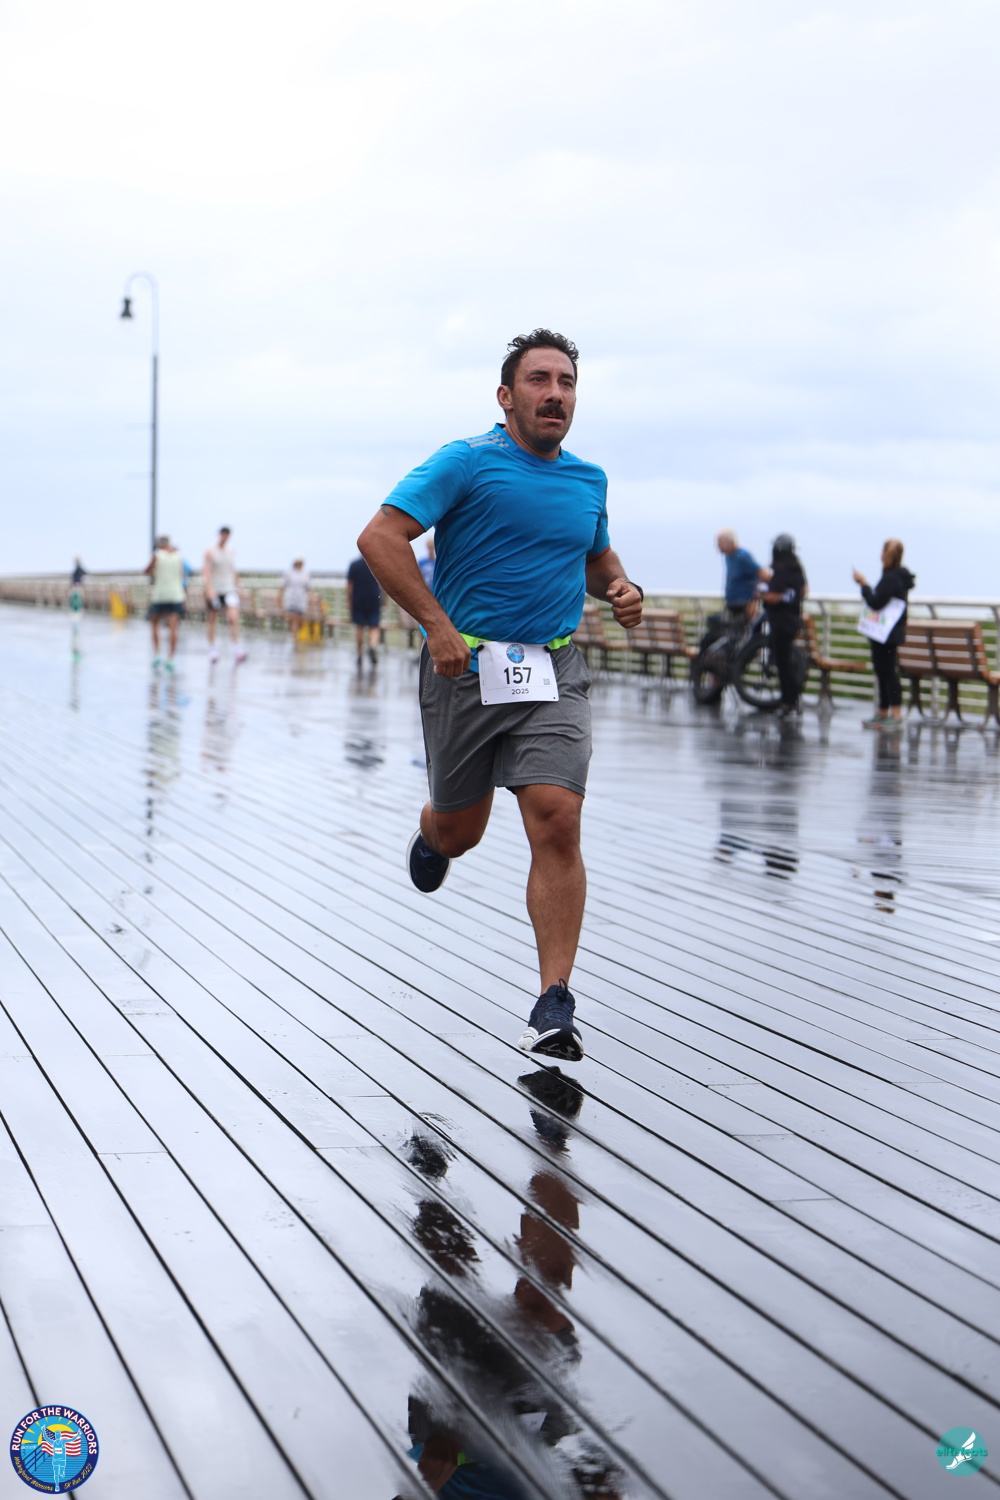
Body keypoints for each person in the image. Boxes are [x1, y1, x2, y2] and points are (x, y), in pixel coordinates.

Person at [358, 328, 643, 1061]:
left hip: (553, 670)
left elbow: (594, 556)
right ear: (506, 396)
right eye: (539, 380)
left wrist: (618, 585)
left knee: (557, 818)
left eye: (566, 382)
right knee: (463, 832)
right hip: (466, 669)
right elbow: (380, 538)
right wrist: (437, 626)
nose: (555, 394)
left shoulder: (588, 480)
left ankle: (554, 1002)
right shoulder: (467, 461)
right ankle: (433, 832)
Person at [853, 539, 915, 733]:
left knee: (887, 673)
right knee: (883, 671)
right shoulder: (897, 577)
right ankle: (883, 712)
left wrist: (864, 585)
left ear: (886, 555)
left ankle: (895, 715)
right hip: (887, 633)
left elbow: (876, 602)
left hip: (886, 633)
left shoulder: (892, 578)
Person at [760, 533, 806, 718]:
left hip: (780, 622)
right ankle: (791, 701)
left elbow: (774, 596)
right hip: (792, 620)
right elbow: (803, 592)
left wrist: (760, 594)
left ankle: (789, 702)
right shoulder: (797, 570)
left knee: (783, 664)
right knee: (785, 662)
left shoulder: (781, 570)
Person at [203, 526, 245, 663]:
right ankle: (212, 650)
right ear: (220, 534)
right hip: (215, 590)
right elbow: (206, 571)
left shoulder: (231, 551)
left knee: (233, 618)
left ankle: (236, 649)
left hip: (229, 589)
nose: (225, 537)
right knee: (212, 620)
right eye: (223, 534)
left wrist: (239, 587)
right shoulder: (210, 551)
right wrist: (209, 589)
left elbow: (234, 571)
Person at [144, 534, 186, 668]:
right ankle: (171, 658)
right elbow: (181, 574)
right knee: (173, 627)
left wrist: (155, 572)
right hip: (175, 594)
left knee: (154, 624)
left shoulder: (158, 555)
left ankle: (157, 654)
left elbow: (147, 571)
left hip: (160, 595)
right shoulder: (178, 556)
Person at [716, 529, 767, 618]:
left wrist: (754, 599)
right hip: (732, 604)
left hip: (744, 605)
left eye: (720, 543)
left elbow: (764, 575)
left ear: (730, 542)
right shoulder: (728, 556)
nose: (718, 546)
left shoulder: (741, 555)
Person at [346, 553, 382, 666]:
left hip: (358, 599)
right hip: (374, 599)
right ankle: (372, 646)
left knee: (359, 627)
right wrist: (383, 599)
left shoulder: (354, 565)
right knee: (374, 626)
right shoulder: (376, 564)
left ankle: (359, 654)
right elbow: (383, 583)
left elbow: (350, 585)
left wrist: (349, 601)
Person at [282, 558, 311, 636]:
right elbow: (283, 586)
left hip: (301, 600)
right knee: (293, 618)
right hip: (291, 599)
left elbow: (309, 588)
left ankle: (295, 635)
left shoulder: (305, 574)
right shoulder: (289, 573)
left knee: (299, 619)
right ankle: (295, 637)